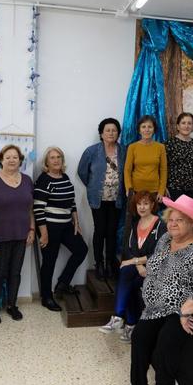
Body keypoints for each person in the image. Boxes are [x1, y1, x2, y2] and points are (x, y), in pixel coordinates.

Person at [121, 195, 193, 385]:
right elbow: (156, 262)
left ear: (192, 224)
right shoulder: (166, 238)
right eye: (171, 219)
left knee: (166, 338)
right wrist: (138, 265)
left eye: (180, 220)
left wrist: (185, 312)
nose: (173, 224)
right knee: (139, 337)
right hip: (161, 303)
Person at [99, 191, 166, 343]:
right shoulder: (136, 224)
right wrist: (138, 265)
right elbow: (130, 250)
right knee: (128, 278)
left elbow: (160, 254)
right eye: (139, 204)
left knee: (125, 274)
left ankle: (120, 319)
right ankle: (127, 324)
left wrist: (136, 262)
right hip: (138, 271)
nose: (142, 207)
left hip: (155, 271)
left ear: (153, 205)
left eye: (146, 203)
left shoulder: (161, 225)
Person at [0, 144, 35, 324]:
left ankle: (12, 304)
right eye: (8, 157)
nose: (12, 160)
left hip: (21, 234)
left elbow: (30, 208)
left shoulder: (27, 180)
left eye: (15, 157)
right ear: (1, 160)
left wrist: (32, 229)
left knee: (15, 272)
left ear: (20, 160)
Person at [35, 147, 88, 311]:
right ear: (46, 162)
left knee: (81, 250)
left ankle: (63, 284)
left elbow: (71, 202)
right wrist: (43, 233)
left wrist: (76, 222)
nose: (56, 160)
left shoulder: (64, 177)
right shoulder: (44, 180)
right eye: (52, 158)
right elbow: (37, 209)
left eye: (58, 157)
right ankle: (46, 297)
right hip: (49, 226)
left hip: (66, 225)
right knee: (49, 262)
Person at [77, 118, 125, 280]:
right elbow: (82, 172)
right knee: (100, 230)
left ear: (118, 133)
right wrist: (93, 186)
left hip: (116, 199)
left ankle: (111, 263)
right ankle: (99, 263)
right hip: (98, 199)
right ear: (101, 133)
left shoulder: (124, 151)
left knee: (112, 232)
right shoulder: (92, 151)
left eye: (114, 130)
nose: (111, 133)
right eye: (108, 130)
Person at [123, 115, 167, 199]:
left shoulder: (161, 147)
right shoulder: (132, 147)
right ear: (139, 130)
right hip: (136, 190)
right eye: (143, 127)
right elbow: (127, 170)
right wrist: (129, 189)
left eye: (150, 127)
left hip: (155, 191)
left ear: (154, 130)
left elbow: (163, 170)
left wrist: (161, 191)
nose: (147, 130)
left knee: (152, 212)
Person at [165, 112, 193, 200]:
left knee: (188, 214)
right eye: (183, 123)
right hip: (174, 189)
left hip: (191, 189)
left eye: (189, 123)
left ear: (192, 127)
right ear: (178, 126)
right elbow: (163, 166)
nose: (186, 126)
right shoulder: (169, 143)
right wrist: (163, 187)